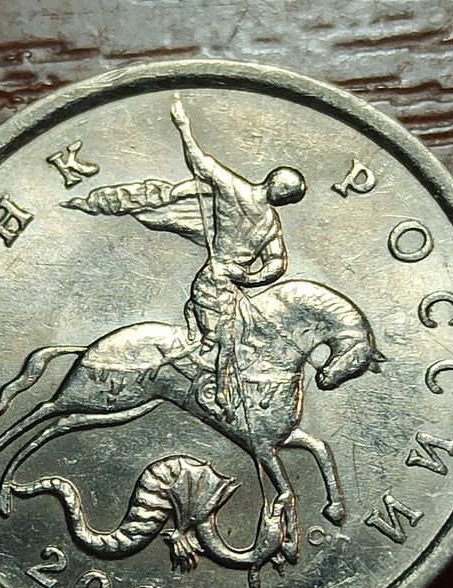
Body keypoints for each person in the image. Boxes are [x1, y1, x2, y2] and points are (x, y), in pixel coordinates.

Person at [62, 97, 307, 419]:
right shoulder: (238, 193)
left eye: (289, 196)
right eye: (288, 193)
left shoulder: (267, 219)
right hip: (214, 282)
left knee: (254, 331)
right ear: (276, 185)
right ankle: (220, 395)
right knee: (227, 339)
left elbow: (278, 264)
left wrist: (247, 278)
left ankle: (211, 367)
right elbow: (201, 165)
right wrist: (183, 127)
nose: (285, 198)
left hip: (231, 285)